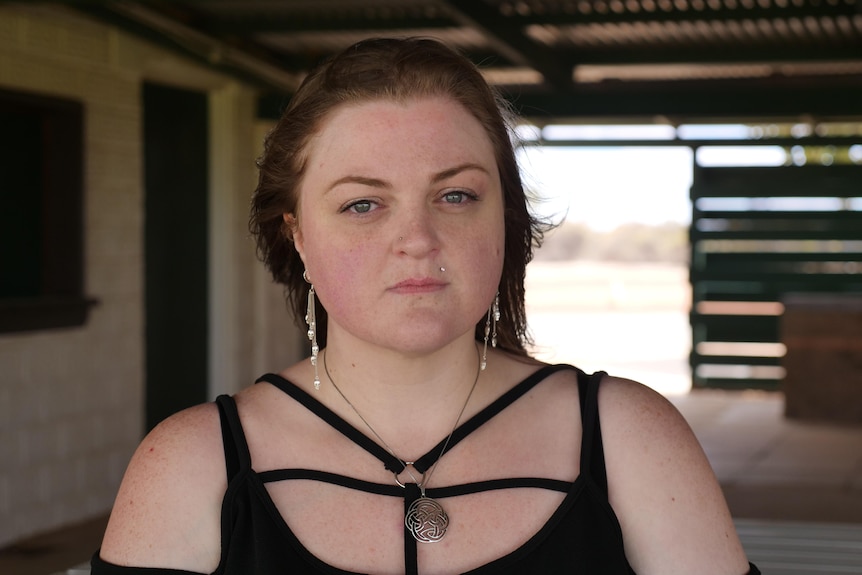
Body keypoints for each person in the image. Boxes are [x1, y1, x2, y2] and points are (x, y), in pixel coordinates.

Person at [92, 37, 759, 575]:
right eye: (363, 203)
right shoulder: (191, 465)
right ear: (296, 234)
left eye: (456, 195)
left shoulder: (630, 439)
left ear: (506, 218)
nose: (416, 239)